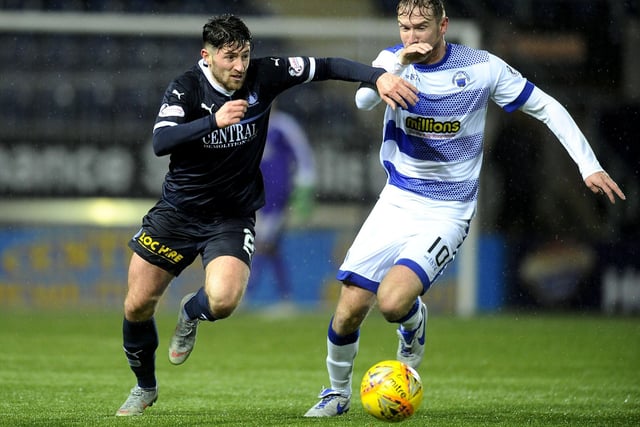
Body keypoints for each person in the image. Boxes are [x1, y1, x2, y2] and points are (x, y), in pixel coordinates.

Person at [304, 0, 626, 418]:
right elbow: (364, 102)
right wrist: (395, 66)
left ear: (444, 26)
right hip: (397, 201)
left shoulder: (482, 68)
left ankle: (411, 322)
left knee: (391, 303)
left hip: (448, 210)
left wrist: (589, 164)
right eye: (404, 27)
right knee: (349, 307)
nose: (412, 35)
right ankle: (336, 393)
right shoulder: (391, 60)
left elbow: (545, 106)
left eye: (421, 26)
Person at [115, 14, 418, 416]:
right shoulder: (186, 88)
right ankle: (145, 387)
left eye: (244, 54)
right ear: (207, 56)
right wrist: (212, 121)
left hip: (232, 215)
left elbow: (326, 65)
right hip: (177, 214)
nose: (239, 66)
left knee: (222, 302)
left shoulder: (265, 74)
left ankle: (191, 311)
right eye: (229, 57)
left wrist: (378, 76)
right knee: (137, 305)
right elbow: (160, 141)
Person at [246, 108, 316, 311]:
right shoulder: (249, 124)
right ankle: (286, 298)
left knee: (261, 243)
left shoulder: (283, 125)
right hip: (253, 195)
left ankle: (248, 294)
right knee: (270, 247)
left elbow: (303, 156)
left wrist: (304, 188)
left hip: (276, 196)